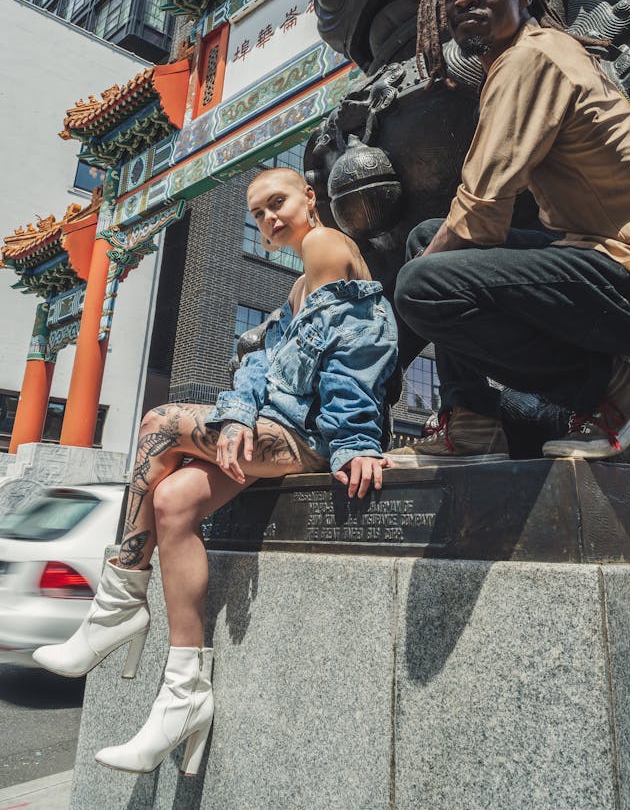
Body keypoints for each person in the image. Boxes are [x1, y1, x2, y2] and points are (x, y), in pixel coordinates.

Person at [33, 167, 397, 774]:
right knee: (174, 501)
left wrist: (355, 439)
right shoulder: (297, 286)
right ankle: (185, 693)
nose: (269, 219)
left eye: (277, 203)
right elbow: (258, 368)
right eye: (257, 213)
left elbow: (359, 351)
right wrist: (237, 414)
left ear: (310, 196)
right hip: (270, 429)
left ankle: (118, 605)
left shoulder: (325, 246)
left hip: (309, 436)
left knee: (159, 423)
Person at [391, 0, 630, 461]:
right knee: (423, 241)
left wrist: (387, 336)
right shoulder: (530, 54)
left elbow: (478, 217)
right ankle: (472, 424)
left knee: (421, 284)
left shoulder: (531, 57)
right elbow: (468, 220)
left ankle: (609, 391)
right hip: (610, 264)